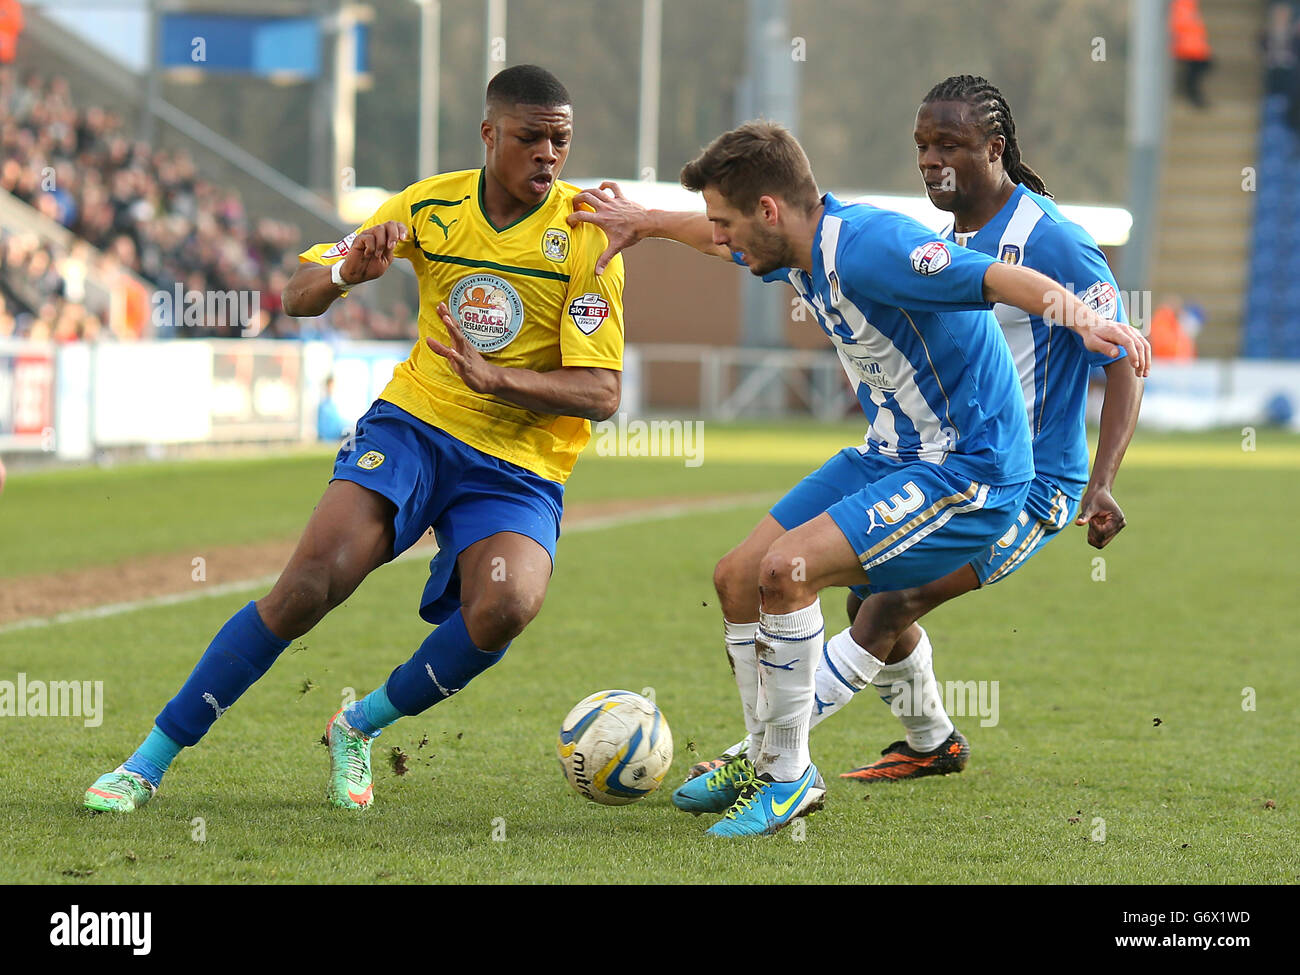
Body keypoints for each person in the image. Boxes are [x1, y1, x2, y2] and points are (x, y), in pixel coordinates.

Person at [569, 122, 1148, 837]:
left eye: (729, 224)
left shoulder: (873, 246)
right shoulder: (796, 247)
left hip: (970, 468)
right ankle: (763, 757)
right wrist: (646, 221)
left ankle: (787, 774)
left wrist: (1082, 318)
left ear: (770, 211)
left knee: (791, 571)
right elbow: (710, 232)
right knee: (738, 574)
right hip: (891, 451)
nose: (723, 240)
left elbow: (994, 278)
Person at [84, 65, 626, 813]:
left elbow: (601, 392)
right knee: (307, 586)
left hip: (518, 463)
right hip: (416, 427)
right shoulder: (430, 205)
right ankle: (145, 762)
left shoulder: (589, 235)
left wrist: (501, 382)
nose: (548, 155)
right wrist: (346, 269)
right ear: (489, 134)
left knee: (507, 606)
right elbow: (295, 294)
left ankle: (358, 725)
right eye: (530, 138)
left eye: (560, 141)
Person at [1171, 0, 1214, 108]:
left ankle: (1192, 93)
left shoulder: (1187, 6)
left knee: (1200, 67)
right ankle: (1192, 94)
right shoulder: (1182, 7)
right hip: (1186, 47)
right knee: (1196, 69)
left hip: (1192, 47)